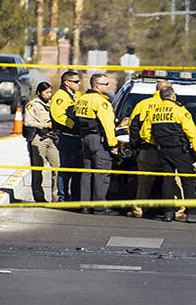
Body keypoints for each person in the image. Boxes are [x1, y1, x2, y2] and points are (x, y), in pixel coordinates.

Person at [142, 85, 196, 223]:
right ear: (173, 96)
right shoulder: (180, 110)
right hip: (179, 150)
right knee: (188, 180)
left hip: (162, 150)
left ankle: (168, 214)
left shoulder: (154, 111)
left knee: (167, 181)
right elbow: (192, 134)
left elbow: (145, 133)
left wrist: (157, 142)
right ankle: (192, 213)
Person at [71, 73, 118, 214]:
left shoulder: (82, 99)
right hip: (99, 140)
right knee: (102, 173)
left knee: (87, 173)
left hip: (85, 139)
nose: (107, 87)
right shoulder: (101, 102)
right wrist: (113, 144)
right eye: (105, 84)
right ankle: (99, 207)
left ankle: (85, 205)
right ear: (97, 85)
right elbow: (108, 125)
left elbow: (74, 116)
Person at [125, 80, 167, 218]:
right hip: (169, 151)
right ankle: (175, 212)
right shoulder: (174, 107)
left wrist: (135, 145)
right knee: (173, 181)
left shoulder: (142, 104)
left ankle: (138, 210)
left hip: (147, 149)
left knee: (144, 182)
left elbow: (133, 126)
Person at [50, 70, 83, 201]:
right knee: (65, 169)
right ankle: (62, 197)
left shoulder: (77, 95)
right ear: (66, 83)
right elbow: (58, 117)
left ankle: (74, 197)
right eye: (76, 81)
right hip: (66, 137)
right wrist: (74, 126)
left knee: (76, 170)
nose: (79, 84)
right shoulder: (60, 97)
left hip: (77, 138)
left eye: (79, 81)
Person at [23, 81, 58, 202]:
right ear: (39, 92)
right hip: (38, 139)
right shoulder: (32, 105)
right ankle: (39, 197)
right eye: (46, 92)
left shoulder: (53, 104)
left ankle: (56, 197)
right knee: (38, 169)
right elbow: (28, 122)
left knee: (57, 168)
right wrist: (45, 125)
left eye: (50, 92)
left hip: (52, 139)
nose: (49, 94)